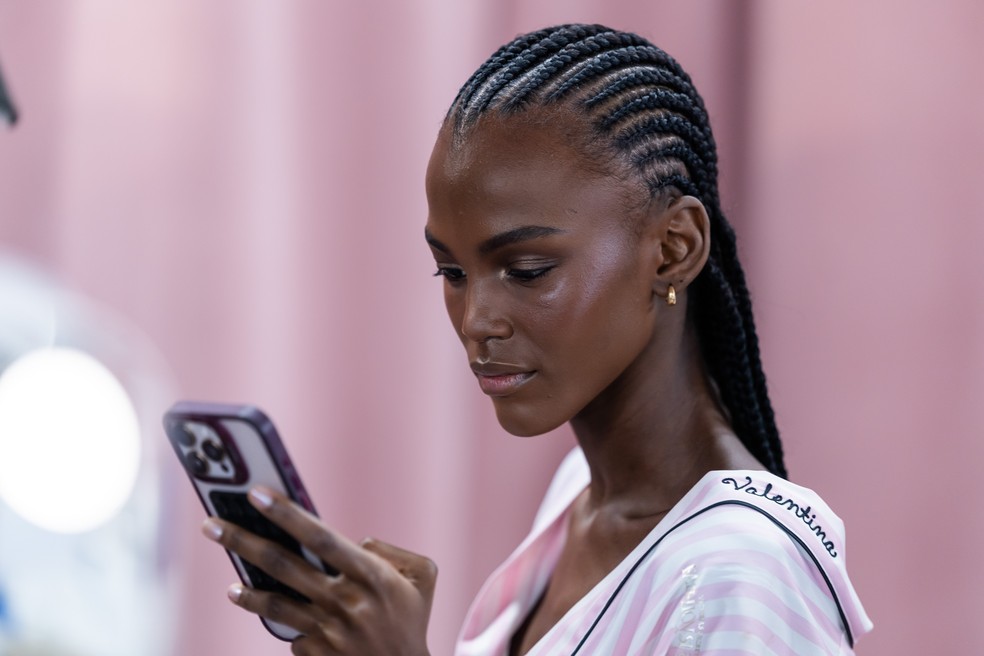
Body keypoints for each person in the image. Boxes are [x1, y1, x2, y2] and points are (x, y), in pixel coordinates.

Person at [201, 23, 872, 655]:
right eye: (452, 272)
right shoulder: (579, 496)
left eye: (527, 270)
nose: (476, 320)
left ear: (674, 248)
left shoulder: (744, 575)